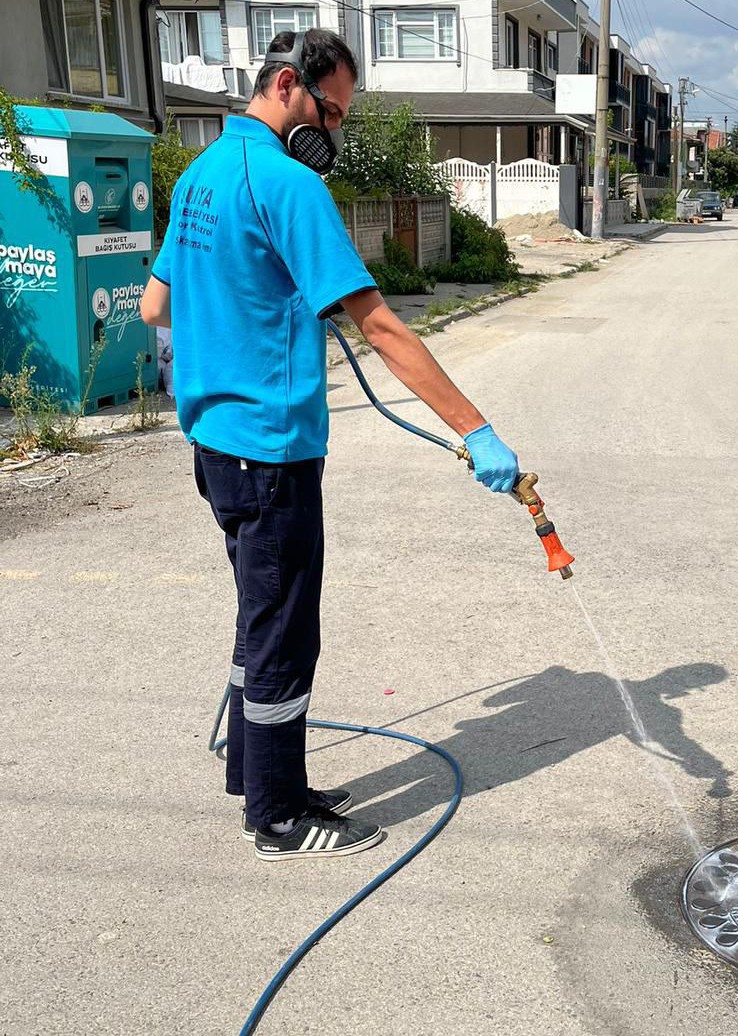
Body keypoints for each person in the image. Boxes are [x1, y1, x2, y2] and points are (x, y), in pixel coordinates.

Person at [139, 28, 520, 862]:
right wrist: (475, 428)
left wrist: (246, 304)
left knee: (257, 618)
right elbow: (380, 323)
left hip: (214, 447)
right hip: (270, 451)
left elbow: (153, 309)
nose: (335, 132)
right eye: (333, 110)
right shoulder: (288, 183)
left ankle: (258, 772)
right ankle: (275, 816)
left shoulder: (199, 175)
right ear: (287, 84)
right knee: (282, 634)